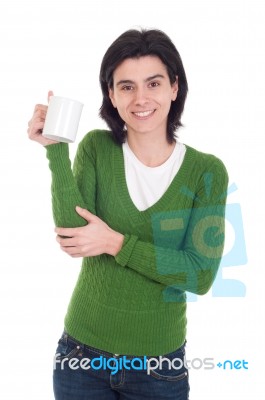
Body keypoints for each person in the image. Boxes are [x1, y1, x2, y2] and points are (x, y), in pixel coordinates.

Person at [27, 28, 228, 400]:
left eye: (153, 83)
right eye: (126, 86)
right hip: (81, 357)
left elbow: (199, 274)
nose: (141, 98)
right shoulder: (96, 148)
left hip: (158, 368)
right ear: (112, 95)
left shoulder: (206, 171)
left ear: (174, 87)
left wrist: (115, 243)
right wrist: (55, 150)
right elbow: (72, 236)